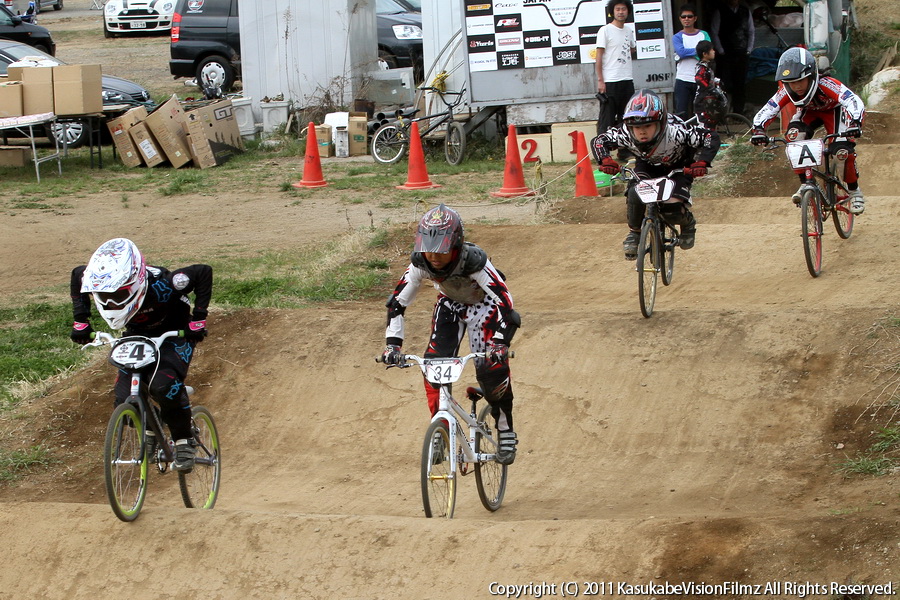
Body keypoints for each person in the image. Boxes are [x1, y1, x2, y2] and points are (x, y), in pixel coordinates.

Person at [381, 204, 521, 465]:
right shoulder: (420, 262)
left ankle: (505, 430)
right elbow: (397, 303)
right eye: (428, 247)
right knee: (433, 365)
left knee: (491, 368)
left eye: (441, 248)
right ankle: (440, 429)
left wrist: (501, 342)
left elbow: (505, 303)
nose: (433, 256)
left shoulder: (474, 261)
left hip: (485, 306)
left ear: (456, 244)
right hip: (450, 305)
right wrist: (393, 346)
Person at [70, 238, 212, 472]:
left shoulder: (166, 284)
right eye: (105, 296)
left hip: (174, 332)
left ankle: (184, 440)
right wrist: (81, 321)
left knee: (163, 386)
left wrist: (198, 319)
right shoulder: (88, 278)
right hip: (136, 334)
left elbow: (203, 272)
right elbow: (78, 275)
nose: (111, 301)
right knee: (126, 406)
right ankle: (153, 424)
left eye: (119, 294)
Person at [591, 89, 721, 260]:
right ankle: (635, 233)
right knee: (634, 193)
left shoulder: (677, 131)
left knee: (672, 209)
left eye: (647, 126)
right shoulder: (624, 132)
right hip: (647, 166)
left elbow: (710, 137)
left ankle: (688, 223)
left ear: (661, 122)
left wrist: (702, 162)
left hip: (679, 167)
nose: (642, 132)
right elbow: (599, 141)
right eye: (636, 127)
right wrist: (605, 160)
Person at [750, 47, 866, 215]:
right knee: (793, 138)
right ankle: (805, 182)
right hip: (809, 112)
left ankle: (854, 191)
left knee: (842, 151)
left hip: (835, 111)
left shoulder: (827, 84)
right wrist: (759, 130)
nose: (796, 86)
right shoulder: (786, 90)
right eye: (791, 81)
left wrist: (855, 122)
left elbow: (851, 99)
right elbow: (769, 108)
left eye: (800, 80)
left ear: (812, 76)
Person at [595, 0, 636, 137]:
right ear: (612, 12)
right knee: (607, 118)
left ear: (628, 11)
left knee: (627, 117)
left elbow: (632, 48)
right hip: (610, 81)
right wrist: (601, 80)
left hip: (627, 79)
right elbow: (599, 56)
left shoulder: (629, 30)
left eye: (623, 9)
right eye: (617, 9)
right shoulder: (605, 30)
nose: (620, 12)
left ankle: (624, 150)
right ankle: (603, 150)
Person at [710, 0, 754, 115]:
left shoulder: (745, 11)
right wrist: (721, 50)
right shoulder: (719, 11)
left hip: (742, 53)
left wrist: (748, 49)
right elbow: (714, 32)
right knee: (723, 84)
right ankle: (722, 113)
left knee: (740, 84)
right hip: (725, 55)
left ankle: (738, 113)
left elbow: (751, 31)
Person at [672, 4, 710, 119]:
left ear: (695, 18)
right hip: (683, 79)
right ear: (680, 19)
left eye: (689, 16)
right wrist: (699, 51)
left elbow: (708, 52)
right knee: (681, 113)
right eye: (683, 17)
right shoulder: (677, 37)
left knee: (701, 114)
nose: (686, 19)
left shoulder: (704, 34)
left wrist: (690, 53)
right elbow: (681, 52)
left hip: (701, 78)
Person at [693, 40, 728, 128]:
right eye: (712, 50)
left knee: (711, 127)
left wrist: (717, 83)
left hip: (709, 102)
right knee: (704, 129)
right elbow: (699, 79)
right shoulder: (701, 67)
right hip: (701, 103)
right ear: (705, 54)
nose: (714, 51)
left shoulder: (708, 66)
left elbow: (710, 79)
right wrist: (711, 90)